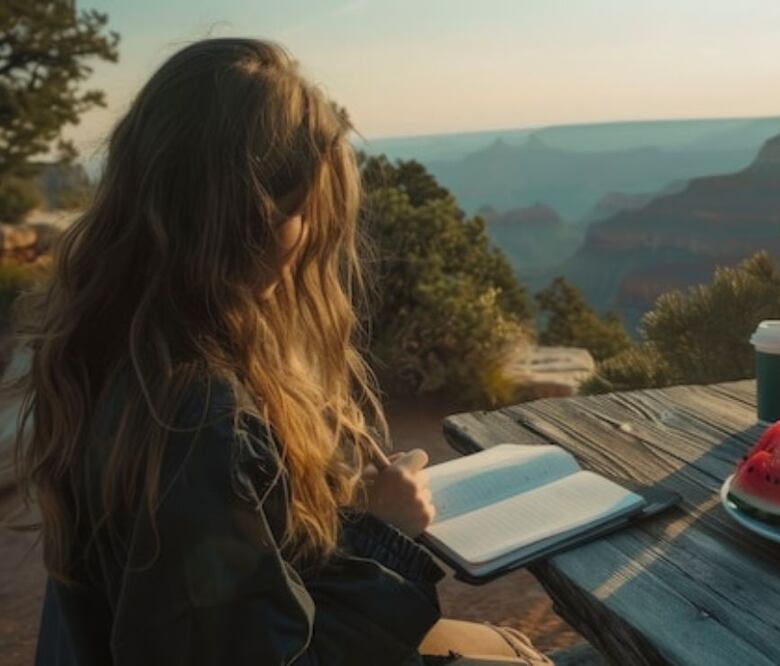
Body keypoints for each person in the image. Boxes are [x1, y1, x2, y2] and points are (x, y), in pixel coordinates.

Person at [11, 38, 552, 666]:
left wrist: (349, 521)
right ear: (244, 220)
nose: (307, 241)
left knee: (504, 648)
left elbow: (233, 583)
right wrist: (385, 537)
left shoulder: (114, 349)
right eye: (301, 213)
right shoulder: (198, 415)